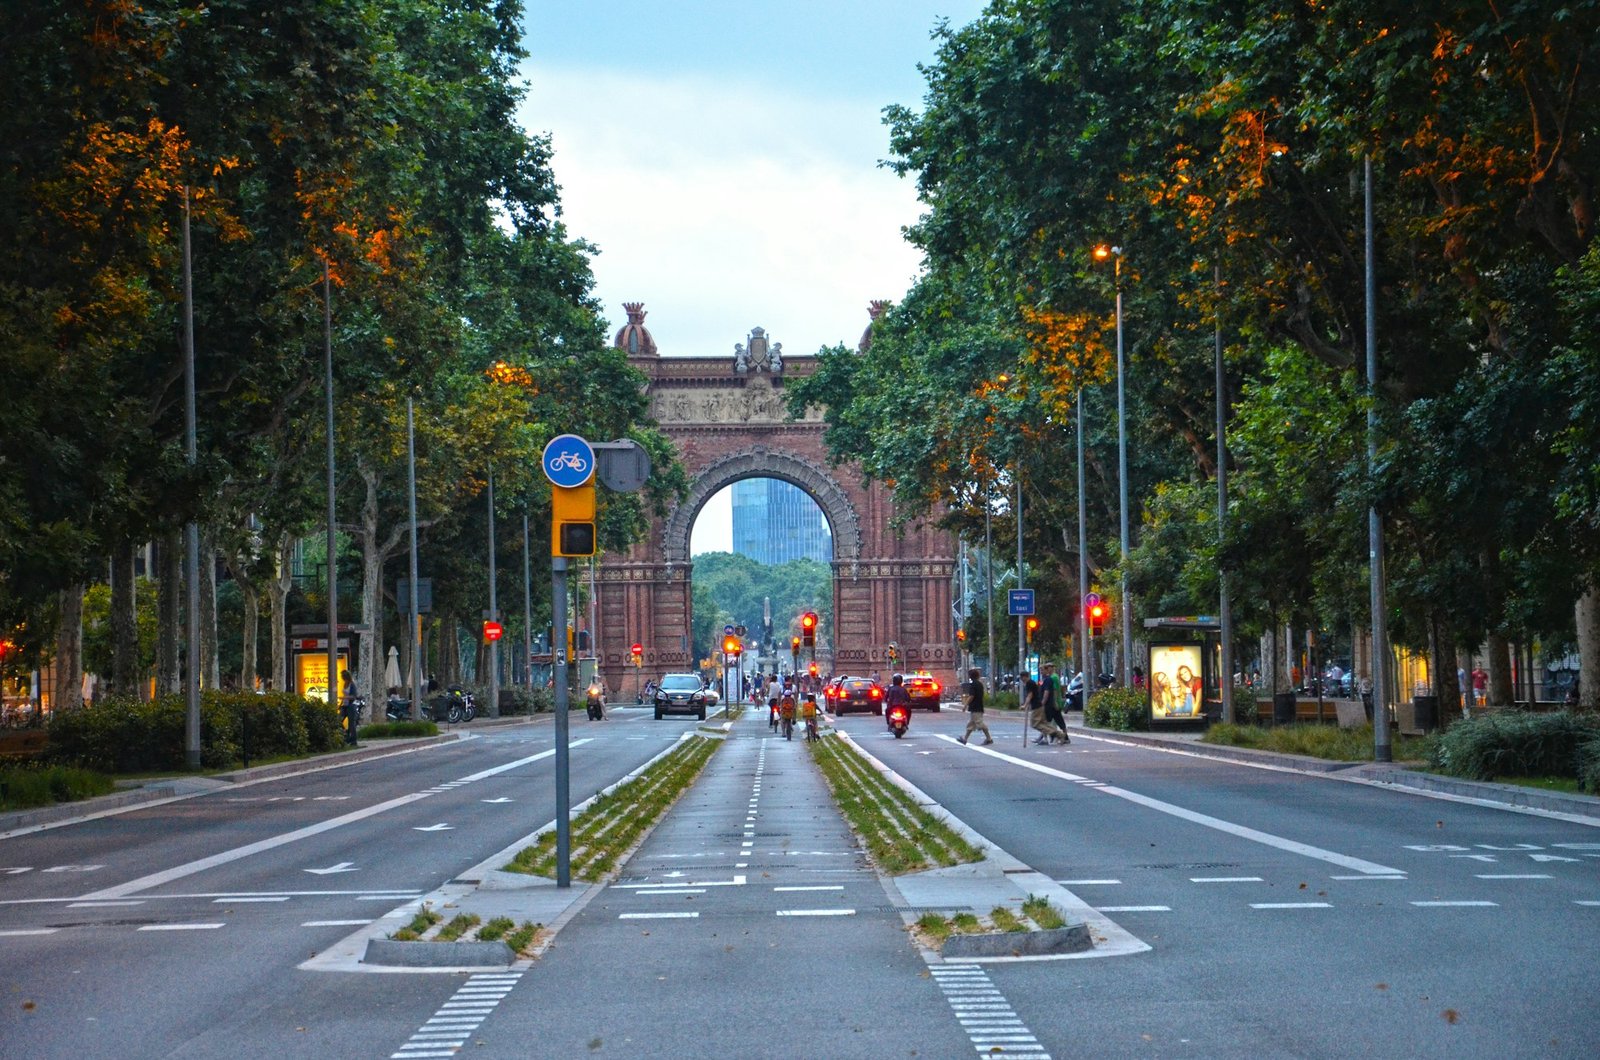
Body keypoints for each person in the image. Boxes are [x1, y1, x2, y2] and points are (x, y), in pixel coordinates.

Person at [1025, 670, 1065, 745]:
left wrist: (1025, 705)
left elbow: (1048, 691)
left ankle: (1055, 734)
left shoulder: (1047, 680)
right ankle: (1053, 736)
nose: (1041, 672)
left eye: (1042, 670)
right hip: (1042, 705)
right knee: (1044, 723)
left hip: (1043, 705)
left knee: (1035, 724)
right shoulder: (1043, 680)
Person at [957, 667, 992, 745]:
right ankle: (965, 739)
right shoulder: (979, 684)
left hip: (975, 707)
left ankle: (989, 738)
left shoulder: (973, 685)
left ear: (971, 676)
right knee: (971, 724)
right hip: (979, 705)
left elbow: (971, 696)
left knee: (980, 723)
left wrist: (965, 705)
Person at [1040, 662, 1069, 743]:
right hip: (1053, 703)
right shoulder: (1051, 677)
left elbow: (1055, 690)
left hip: (1052, 704)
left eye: (1049, 667)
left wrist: (1055, 702)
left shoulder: (1053, 677)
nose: (1048, 669)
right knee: (1058, 721)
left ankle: (1048, 738)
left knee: (1047, 721)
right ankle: (1063, 737)